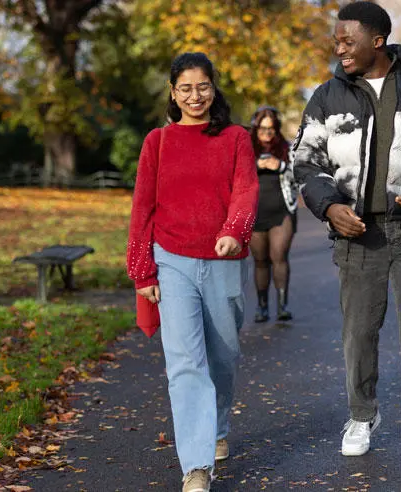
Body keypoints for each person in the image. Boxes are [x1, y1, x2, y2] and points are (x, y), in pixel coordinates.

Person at [291, 2, 401, 487]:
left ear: (378, 41)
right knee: (359, 332)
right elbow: (305, 162)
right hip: (357, 232)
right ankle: (361, 413)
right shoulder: (327, 96)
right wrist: (330, 207)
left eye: (347, 40)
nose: (339, 48)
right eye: (336, 41)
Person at [126, 52, 258, 492]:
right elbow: (142, 207)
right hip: (172, 259)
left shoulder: (236, 137)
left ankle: (217, 428)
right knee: (185, 363)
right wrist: (142, 269)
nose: (195, 96)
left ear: (213, 89)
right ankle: (196, 465)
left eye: (202, 87)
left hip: (223, 260)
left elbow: (245, 189)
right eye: (185, 88)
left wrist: (235, 231)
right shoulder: (157, 143)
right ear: (173, 92)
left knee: (222, 358)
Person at [248, 105, 299, 322]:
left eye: (271, 129)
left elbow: (299, 175)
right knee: (260, 261)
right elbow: (233, 175)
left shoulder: (286, 149)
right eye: (262, 129)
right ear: (255, 129)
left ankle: (282, 306)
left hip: (282, 211)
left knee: (279, 257)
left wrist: (280, 166)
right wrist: (255, 164)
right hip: (254, 213)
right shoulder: (246, 149)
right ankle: (262, 307)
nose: (267, 134)